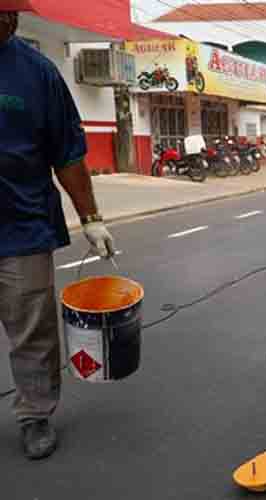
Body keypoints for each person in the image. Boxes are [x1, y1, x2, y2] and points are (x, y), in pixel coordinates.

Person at [0, 9, 117, 459]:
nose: (7, 17)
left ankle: (34, 414)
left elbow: (67, 153)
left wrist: (91, 217)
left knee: (32, 331)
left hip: (23, 227)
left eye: (10, 11)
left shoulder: (37, 72)